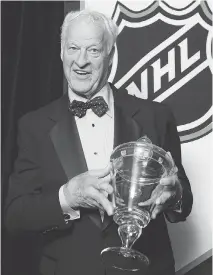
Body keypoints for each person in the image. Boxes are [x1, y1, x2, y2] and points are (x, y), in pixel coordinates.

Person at [5, 10, 193, 275]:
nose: (81, 61)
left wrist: (174, 196)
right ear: (61, 52)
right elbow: (15, 216)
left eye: (93, 50)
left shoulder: (156, 116)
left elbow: (183, 203)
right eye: (73, 48)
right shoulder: (33, 126)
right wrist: (67, 197)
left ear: (110, 55)